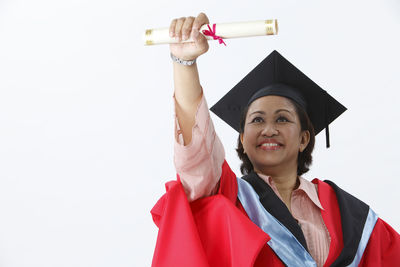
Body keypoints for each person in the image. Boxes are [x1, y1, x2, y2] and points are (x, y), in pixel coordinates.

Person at [150, 13, 400, 267]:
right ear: (243, 139)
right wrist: (184, 63)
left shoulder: (351, 215)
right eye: (257, 120)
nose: (268, 129)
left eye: (282, 119)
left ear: (304, 138)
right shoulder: (231, 198)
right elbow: (197, 156)